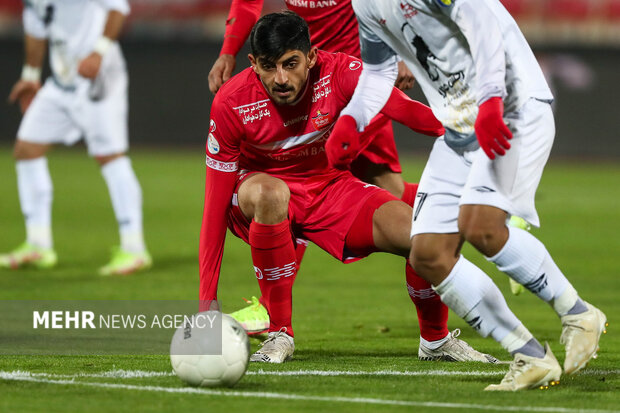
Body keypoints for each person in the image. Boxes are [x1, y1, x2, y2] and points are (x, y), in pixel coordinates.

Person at [327, 0, 607, 391]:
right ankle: (528, 354)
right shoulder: (366, 4)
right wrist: (351, 119)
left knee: (480, 225)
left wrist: (492, 99)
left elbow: (483, 23)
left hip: (511, 108)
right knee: (427, 254)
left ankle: (578, 315)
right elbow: (378, 72)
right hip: (458, 129)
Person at [200, 12, 505, 368]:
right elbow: (214, 206)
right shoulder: (231, 103)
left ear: (311, 56)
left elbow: (405, 111)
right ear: (253, 64)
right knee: (273, 194)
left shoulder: (340, 71)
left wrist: (468, 130)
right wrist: (207, 301)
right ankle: (280, 333)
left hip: (329, 187)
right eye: (268, 67)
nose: (280, 79)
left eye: (290, 64)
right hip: (257, 191)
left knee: (422, 236)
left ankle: (435, 340)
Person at [1, 0, 151, 276]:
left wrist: (98, 52)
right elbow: (35, 28)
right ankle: (38, 244)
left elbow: (119, 9)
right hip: (61, 82)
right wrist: (31, 75)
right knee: (27, 148)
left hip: (100, 75)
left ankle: (134, 248)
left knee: (109, 156)